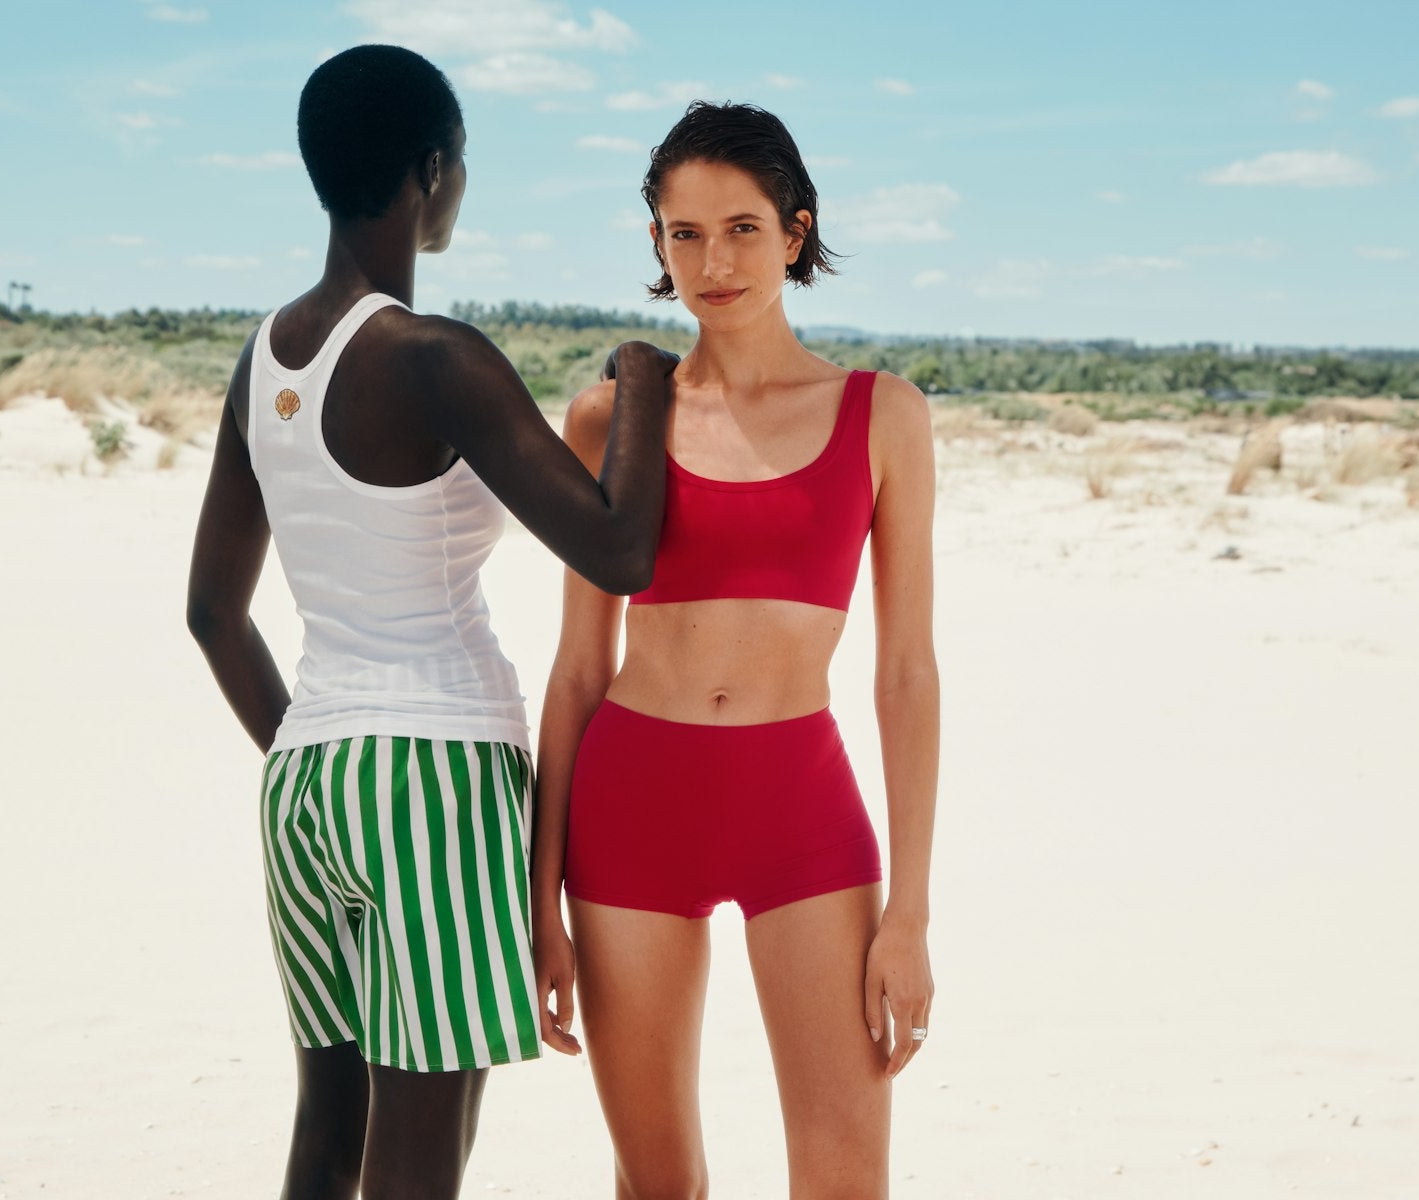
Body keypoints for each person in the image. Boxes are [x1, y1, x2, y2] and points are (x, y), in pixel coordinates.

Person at [185, 45, 677, 1200]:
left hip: (307, 788)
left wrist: (326, 747)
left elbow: (212, 613)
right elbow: (620, 548)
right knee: (422, 1151)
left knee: (329, 1130)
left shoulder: (265, 359)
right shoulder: (433, 358)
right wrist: (645, 379)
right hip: (436, 775)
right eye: (462, 163)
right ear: (430, 172)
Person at [530, 102, 939, 1199]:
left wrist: (910, 911)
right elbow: (578, 670)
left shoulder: (883, 416)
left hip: (801, 813)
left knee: (845, 1177)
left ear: (797, 231)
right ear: (658, 244)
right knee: (658, 1184)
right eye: (686, 234)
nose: (714, 263)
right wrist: (539, 897)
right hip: (630, 810)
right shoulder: (612, 420)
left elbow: (907, 672)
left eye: (743, 229)